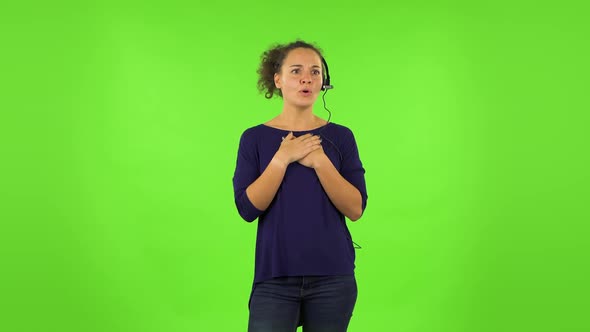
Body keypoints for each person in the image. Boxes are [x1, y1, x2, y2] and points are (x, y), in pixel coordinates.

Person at [232, 40, 368, 332]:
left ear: (324, 82)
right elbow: (247, 208)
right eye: (296, 71)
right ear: (277, 80)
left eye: (315, 72)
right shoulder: (253, 139)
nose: (307, 78)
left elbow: (355, 208)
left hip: (334, 279)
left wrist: (320, 161)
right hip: (274, 279)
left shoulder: (341, 137)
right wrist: (282, 158)